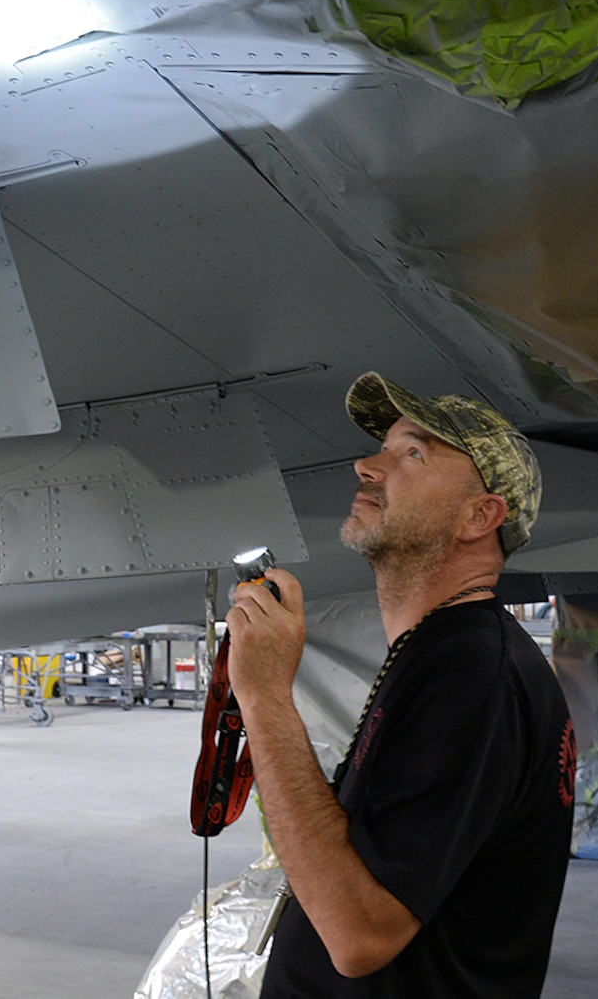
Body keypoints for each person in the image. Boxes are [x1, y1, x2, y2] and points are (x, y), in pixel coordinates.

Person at [228, 372, 574, 997]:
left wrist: (266, 697)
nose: (365, 465)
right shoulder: (440, 657)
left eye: (412, 453)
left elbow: (360, 936)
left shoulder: (473, 678)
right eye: (381, 448)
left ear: (479, 515)